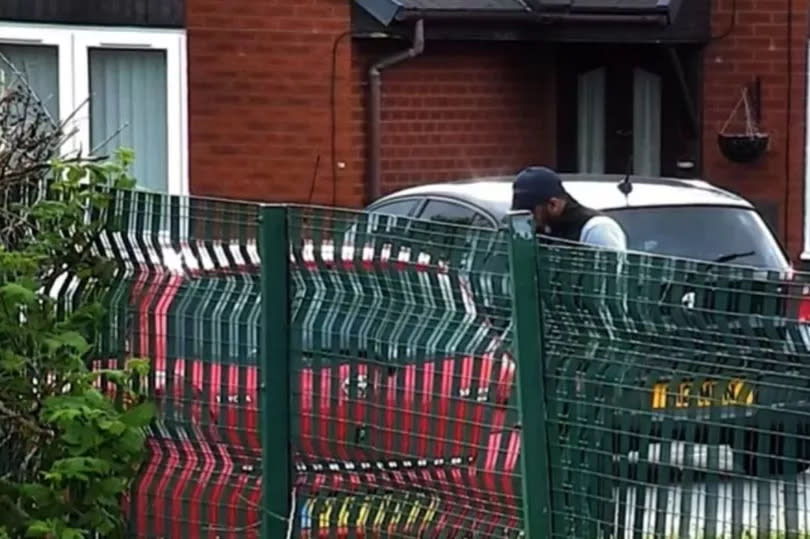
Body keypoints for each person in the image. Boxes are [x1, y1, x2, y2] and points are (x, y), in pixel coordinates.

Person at [511, 166, 627, 250]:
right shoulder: (542, 232)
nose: (527, 219)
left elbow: (611, 278)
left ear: (553, 205)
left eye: (531, 212)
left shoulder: (596, 229)